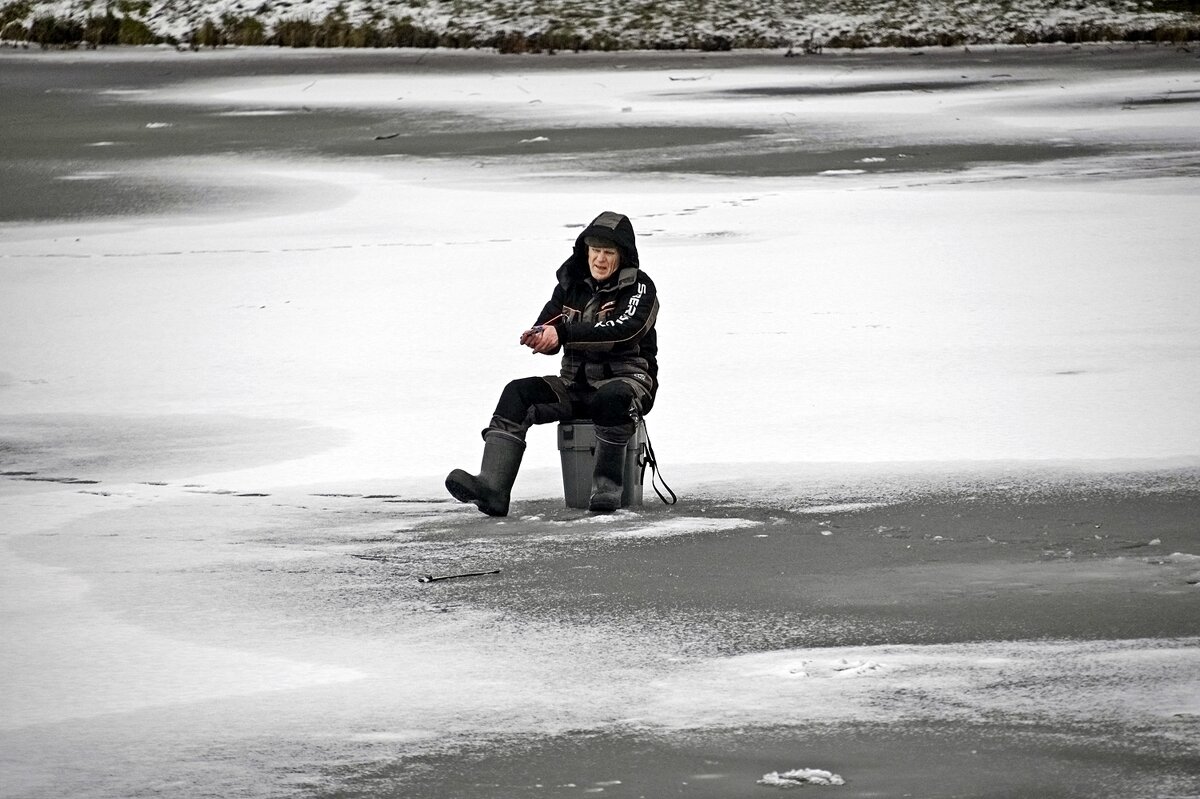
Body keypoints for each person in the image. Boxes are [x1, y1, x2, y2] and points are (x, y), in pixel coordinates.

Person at [446, 211, 659, 515]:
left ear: (622, 256)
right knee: (517, 393)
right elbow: (550, 323)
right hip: (574, 386)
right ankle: (492, 488)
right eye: (594, 251)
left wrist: (563, 332)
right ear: (585, 251)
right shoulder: (570, 285)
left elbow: (625, 331)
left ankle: (607, 490)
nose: (599, 259)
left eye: (608, 252)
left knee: (612, 397)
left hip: (628, 385)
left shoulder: (640, 288)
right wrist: (539, 337)